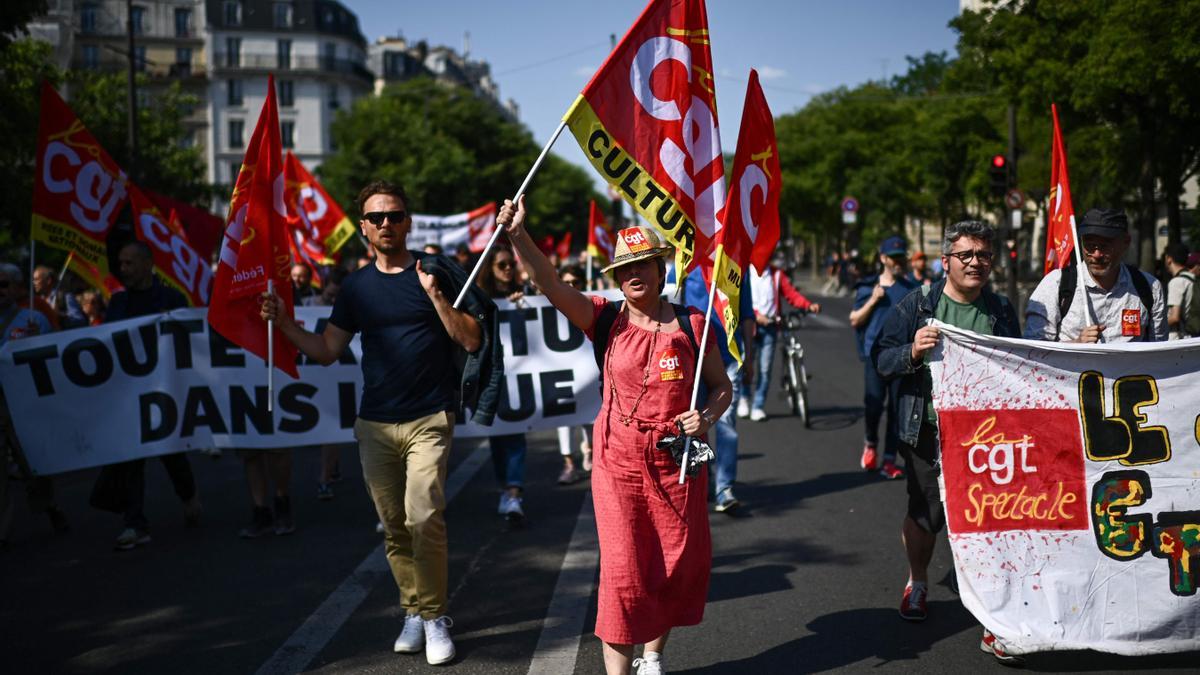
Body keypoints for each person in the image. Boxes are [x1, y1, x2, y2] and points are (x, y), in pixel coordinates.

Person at [260, 180, 501, 666]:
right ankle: (412, 608)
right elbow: (327, 351)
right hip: (375, 424)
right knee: (394, 527)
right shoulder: (355, 288)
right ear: (364, 229)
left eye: (395, 216)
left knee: (424, 516)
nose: (387, 224)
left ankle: (434, 618)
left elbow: (474, 341)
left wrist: (437, 300)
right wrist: (285, 324)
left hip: (430, 417)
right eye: (377, 218)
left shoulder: (435, 273)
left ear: (408, 222)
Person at [497, 196, 731, 675]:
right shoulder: (605, 317)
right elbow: (549, 283)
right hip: (618, 461)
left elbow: (722, 389)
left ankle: (653, 658)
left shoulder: (692, 324)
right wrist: (519, 234)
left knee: (671, 563)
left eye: (643, 263)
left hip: (677, 463)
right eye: (624, 268)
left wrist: (705, 417)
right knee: (624, 575)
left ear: (661, 267)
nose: (634, 274)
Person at [872, 221, 1023, 664]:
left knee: (989, 516)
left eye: (983, 255)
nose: (976, 263)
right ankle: (918, 583)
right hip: (928, 431)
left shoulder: (999, 309)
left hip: (986, 435)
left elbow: (1020, 363)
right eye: (966, 255)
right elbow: (881, 361)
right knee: (925, 512)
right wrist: (912, 352)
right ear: (946, 262)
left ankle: (995, 608)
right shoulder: (917, 306)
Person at [103, 241, 203, 551]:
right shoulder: (117, 303)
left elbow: (191, 340)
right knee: (132, 457)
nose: (124, 269)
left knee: (171, 452)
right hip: (129, 394)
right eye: (121, 263)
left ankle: (188, 496)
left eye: (130, 263)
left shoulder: (172, 298)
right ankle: (135, 523)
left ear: (148, 265)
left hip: (165, 391)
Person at [0, 262, 69, 551]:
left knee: (32, 464)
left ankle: (48, 504)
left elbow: (54, 355)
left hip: (23, 404)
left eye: (3, 285)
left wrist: (35, 340)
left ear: (17, 288)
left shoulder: (33, 319)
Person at [1024, 208, 1166, 343]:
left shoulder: (1149, 287)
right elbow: (1033, 350)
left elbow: (1160, 352)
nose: (1097, 255)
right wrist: (1077, 344)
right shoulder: (1056, 285)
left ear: (1125, 243)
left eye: (1105, 246)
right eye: (1090, 246)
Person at [679, 262, 753, 513]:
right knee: (695, 424)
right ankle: (701, 481)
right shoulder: (686, 265)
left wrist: (749, 358)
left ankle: (724, 488)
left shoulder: (736, 266)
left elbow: (746, 315)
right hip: (694, 361)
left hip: (729, 358)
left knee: (726, 423)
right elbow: (664, 299)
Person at [850, 236, 918, 480]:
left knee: (897, 411)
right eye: (894, 258)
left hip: (902, 356)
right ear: (883, 259)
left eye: (902, 257)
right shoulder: (868, 287)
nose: (899, 262)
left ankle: (890, 459)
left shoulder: (911, 289)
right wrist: (873, 300)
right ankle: (870, 443)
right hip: (875, 356)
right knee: (874, 404)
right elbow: (855, 319)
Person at [475, 244, 529, 521]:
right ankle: (505, 487)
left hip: (519, 379)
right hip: (492, 380)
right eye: (502, 265)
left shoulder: (524, 297)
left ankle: (514, 492)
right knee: (498, 438)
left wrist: (524, 307)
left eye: (511, 264)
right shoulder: (478, 300)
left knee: (516, 435)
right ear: (490, 268)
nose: (509, 269)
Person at [741, 251, 820, 422]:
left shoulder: (776, 274)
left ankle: (758, 405)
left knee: (765, 369)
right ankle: (744, 398)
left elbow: (791, 294)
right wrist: (755, 315)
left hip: (770, 328)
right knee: (746, 365)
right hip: (750, 327)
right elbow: (739, 300)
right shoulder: (745, 273)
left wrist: (808, 305)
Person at [556, 264, 592, 484]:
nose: (570, 287)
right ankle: (569, 464)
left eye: (575, 283)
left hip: (586, 370)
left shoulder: (591, 304)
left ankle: (589, 451)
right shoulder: (552, 304)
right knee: (564, 418)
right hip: (561, 372)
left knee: (590, 415)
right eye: (566, 283)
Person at [1162, 243, 1196, 340]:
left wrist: (1154, 324)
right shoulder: (1193, 279)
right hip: (1192, 335)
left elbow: (1175, 317)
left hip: (1178, 338)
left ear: (1169, 259)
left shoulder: (1176, 282)